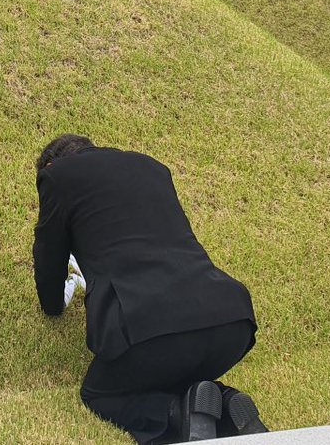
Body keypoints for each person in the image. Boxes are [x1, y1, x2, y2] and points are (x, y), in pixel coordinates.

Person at [33, 133, 268, 443]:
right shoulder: (153, 167)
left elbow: (49, 255)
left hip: (148, 328)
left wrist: (52, 306)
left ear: (50, 164)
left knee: (99, 393)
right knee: (176, 375)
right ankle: (227, 404)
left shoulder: (57, 176)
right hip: (230, 324)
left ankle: (177, 412)